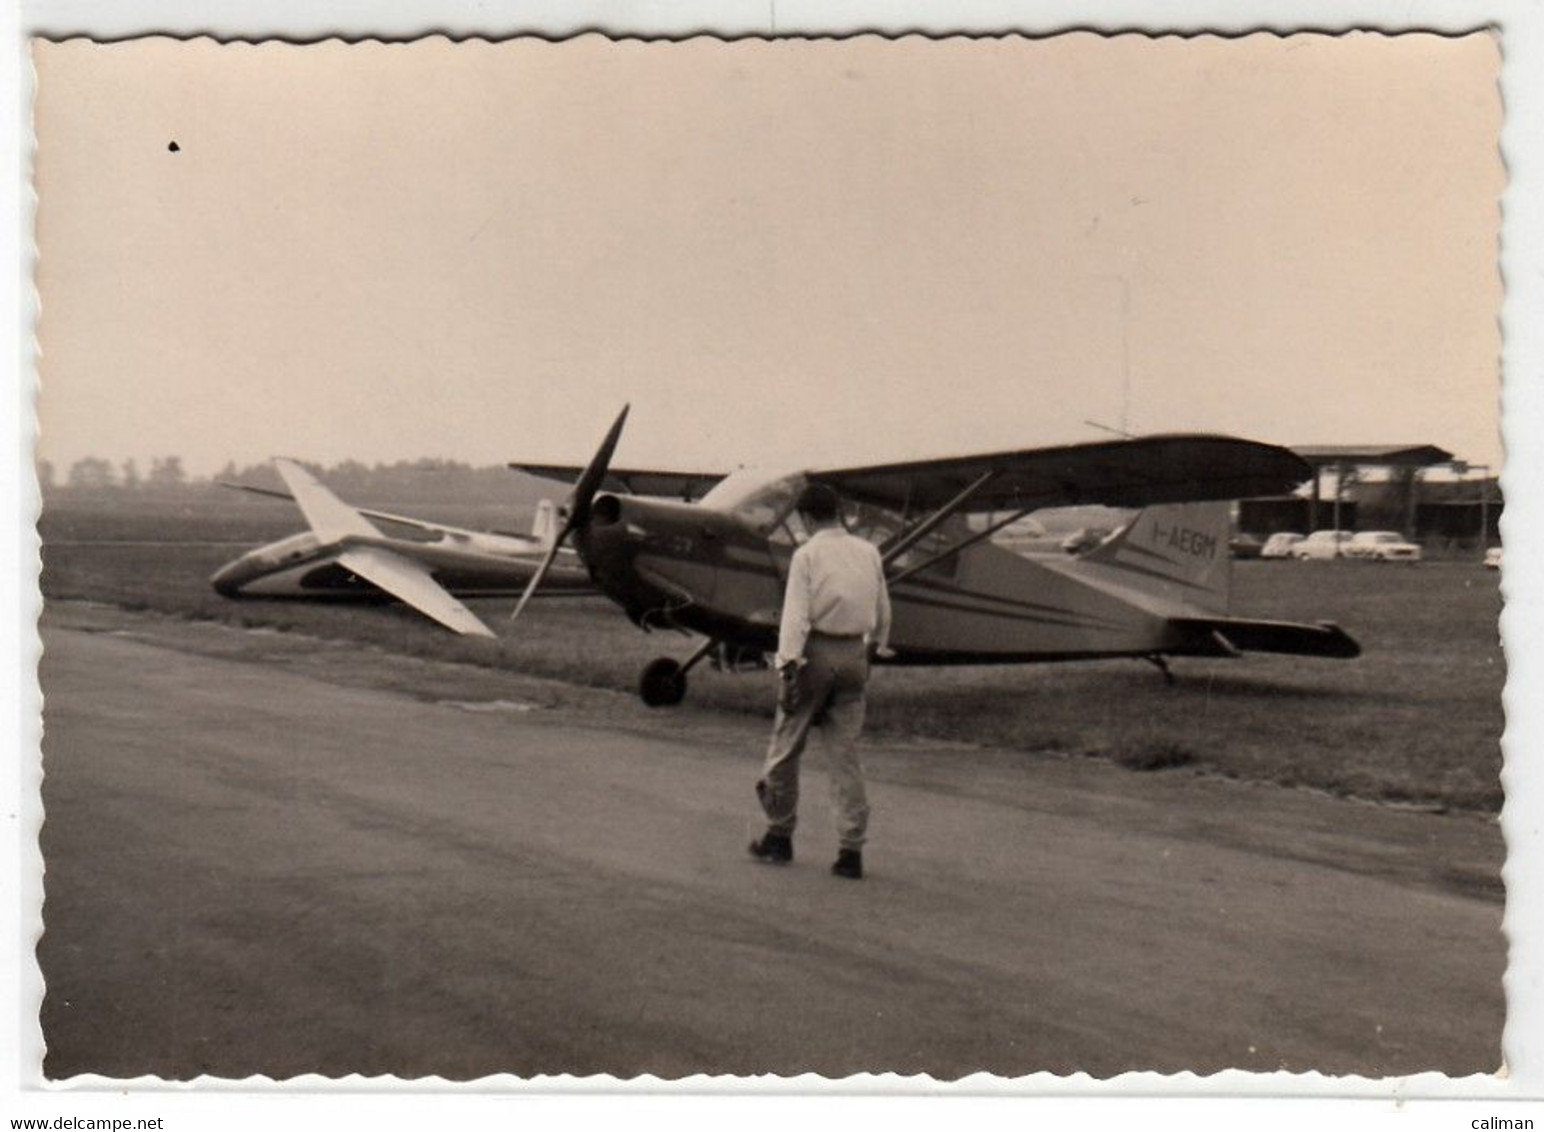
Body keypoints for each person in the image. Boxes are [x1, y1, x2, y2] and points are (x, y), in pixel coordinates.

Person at [749, 481, 893, 880]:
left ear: (808, 518)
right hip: (853, 658)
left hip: (816, 654)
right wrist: (873, 650)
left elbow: (795, 615)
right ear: (839, 513)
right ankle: (851, 851)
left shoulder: (806, 555)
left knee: (785, 748)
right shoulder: (868, 552)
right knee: (845, 757)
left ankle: (779, 836)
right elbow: (882, 610)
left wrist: (788, 666)